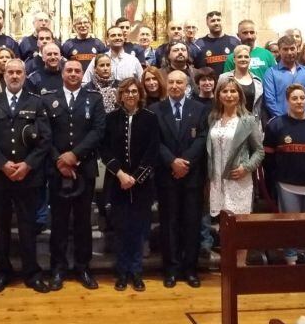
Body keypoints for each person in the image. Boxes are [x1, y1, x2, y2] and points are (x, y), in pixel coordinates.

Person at [0, 58, 52, 294]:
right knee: (1, 227)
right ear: (3, 76)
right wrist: (2, 164)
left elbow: (45, 139)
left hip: (28, 177)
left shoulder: (37, 102)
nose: (14, 76)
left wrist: (27, 165)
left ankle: (32, 273)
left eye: (19, 72)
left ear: (24, 75)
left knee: (28, 226)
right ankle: (2, 272)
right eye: (10, 72)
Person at [43, 60, 105, 290]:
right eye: (69, 70)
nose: (73, 74)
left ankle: (83, 267)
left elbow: (98, 131)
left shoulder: (94, 98)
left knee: (82, 221)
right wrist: (60, 159)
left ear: (83, 74)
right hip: (56, 169)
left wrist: (75, 156)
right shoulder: (48, 99)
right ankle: (57, 268)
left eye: (77, 71)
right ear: (62, 72)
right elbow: (44, 133)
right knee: (58, 221)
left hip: (84, 169)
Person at [150, 70, 209, 288]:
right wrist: (172, 162)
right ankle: (171, 269)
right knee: (169, 224)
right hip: (166, 175)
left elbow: (203, 139)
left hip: (192, 176)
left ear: (187, 85)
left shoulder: (200, 109)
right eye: (172, 82)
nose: (175, 86)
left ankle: (190, 269)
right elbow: (154, 141)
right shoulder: (155, 110)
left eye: (179, 82)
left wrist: (184, 162)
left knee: (192, 224)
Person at [101, 78, 159, 292]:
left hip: (142, 185)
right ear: (120, 95)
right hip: (118, 183)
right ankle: (122, 271)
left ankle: (136, 271)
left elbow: (153, 150)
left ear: (140, 94)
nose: (130, 95)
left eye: (134, 91)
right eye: (126, 91)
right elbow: (104, 150)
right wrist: (121, 175)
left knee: (138, 229)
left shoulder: (150, 118)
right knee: (121, 229)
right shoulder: (110, 119)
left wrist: (136, 177)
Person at [263, 84, 305, 265]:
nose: (299, 102)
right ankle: (291, 259)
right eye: (295, 98)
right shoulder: (276, 124)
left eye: (302, 98)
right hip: (287, 184)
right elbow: (268, 157)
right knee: (290, 225)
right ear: (287, 101)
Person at [207, 76, 263, 265]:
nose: (229, 95)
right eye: (225, 91)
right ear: (218, 95)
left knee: (240, 226)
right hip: (217, 180)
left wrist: (246, 168)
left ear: (239, 95)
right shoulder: (213, 118)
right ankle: (228, 266)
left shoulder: (247, 120)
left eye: (233, 91)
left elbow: (259, 151)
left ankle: (240, 266)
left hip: (239, 180)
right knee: (224, 227)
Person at [262, 35, 305, 118]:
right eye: (285, 49)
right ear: (279, 50)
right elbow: (270, 101)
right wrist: (285, 120)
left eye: (292, 49)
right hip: (281, 123)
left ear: (297, 49)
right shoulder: (271, 73)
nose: (289, 52)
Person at [223, 44, 263, 119]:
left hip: (253, 123)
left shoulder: (257, 81)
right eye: (240, 56)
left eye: (246, 57)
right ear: (234, 60)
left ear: (250, 59)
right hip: (231, 122)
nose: (243, 59)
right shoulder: (224, 78)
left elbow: (259, 107)